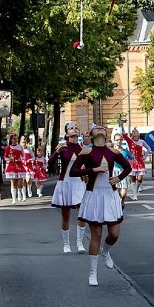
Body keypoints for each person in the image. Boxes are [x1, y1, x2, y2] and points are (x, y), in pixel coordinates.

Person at [70, 123, 132, 286]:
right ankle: (93, 273)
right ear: (91, 134)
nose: (100, 129)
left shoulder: (113, 151)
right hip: (94, 195)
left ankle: (106, 251)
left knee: (115, 233)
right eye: (96, 128)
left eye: (102, 128)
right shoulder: (87, 151)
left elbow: (128, 167)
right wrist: (93, 170)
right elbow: (73, 171)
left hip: (110, 195)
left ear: (106, 134)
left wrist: (119, 178)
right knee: (96, 234)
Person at [49, 122, 88, 254]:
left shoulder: (82, 148)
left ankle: (80, 242)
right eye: (71, 128)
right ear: (66, 133)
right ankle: (66, 244)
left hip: (79, 183)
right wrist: (56, 151)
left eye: (75, 127)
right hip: (65, 182)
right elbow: (50, 162)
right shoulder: (63, 146)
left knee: (82, 213)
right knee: (66, 215)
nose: (74, 129)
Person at [120, 124, 151, 200]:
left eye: (136, 131)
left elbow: (149, 149)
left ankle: (136, 190)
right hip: (132, 161)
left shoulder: (142, 141)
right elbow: (123, 134)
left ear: (138, 134)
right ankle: (134, 194)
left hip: (140, 162)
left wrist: (145, 156)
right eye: (133, 131)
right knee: (133, 179)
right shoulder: (130, 141)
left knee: (139, 179)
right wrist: (121, 125)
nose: (135, 133)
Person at [3, 132, 27, 204]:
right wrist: (8, 159)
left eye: (16, 139)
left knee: (20, 182)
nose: (15, 140)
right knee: (13, 182)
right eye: (14, 139)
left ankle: (20, 192)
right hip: (12, 166)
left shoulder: (20, 147)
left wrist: (21, 159)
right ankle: (14, 199)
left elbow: (24, 156)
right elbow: (5, 156)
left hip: (19, 165)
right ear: (11, 140)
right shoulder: (8, 148)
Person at [112, 132, 131, 208]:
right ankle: (118, 205)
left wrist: (128, 164)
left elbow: (132, 159)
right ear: (114, 140)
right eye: (117, 140)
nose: (118, 141)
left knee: (124, 193)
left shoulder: (125, 151)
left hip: (123, 172)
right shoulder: (111, 151)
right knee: (117, 191)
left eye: (120, 139)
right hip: (114, 172)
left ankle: (122, 202)